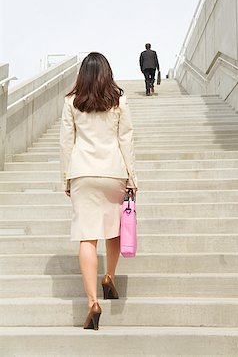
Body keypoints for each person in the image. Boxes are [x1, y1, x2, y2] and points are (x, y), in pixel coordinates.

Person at [60, 52, 138, 330]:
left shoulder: (71, 102)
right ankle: (109, 277)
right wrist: (132, 177)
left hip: (82, 172)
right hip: (113, 172)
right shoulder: (119, 101)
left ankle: (93, 301)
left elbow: (66, 143)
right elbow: (125, 140)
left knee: (87, 237)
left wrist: (66, 178)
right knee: (114, 230)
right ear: (107, 73)